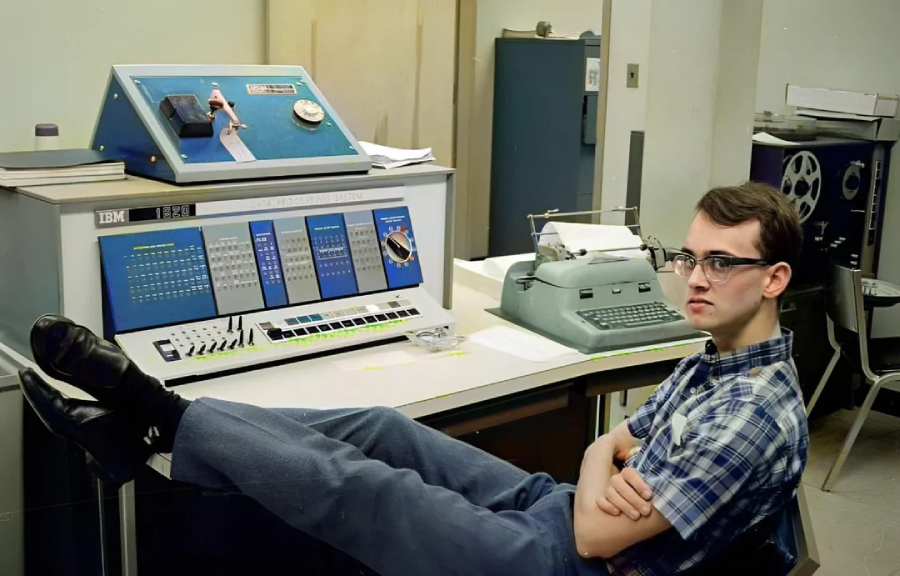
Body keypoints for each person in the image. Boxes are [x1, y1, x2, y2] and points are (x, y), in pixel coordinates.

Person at [18, 181, 809, 576]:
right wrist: (608, 465)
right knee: (384, 428)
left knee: (373, 490)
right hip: (561, 506)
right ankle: (153, 427)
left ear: (772, 279)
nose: (694, 278)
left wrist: (605, 477)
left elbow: (599, 535)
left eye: (721, 263)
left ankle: (151, 415)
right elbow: (609, 443)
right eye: (690, 257)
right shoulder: (714, 360)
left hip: (574, 562)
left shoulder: (753, 412)